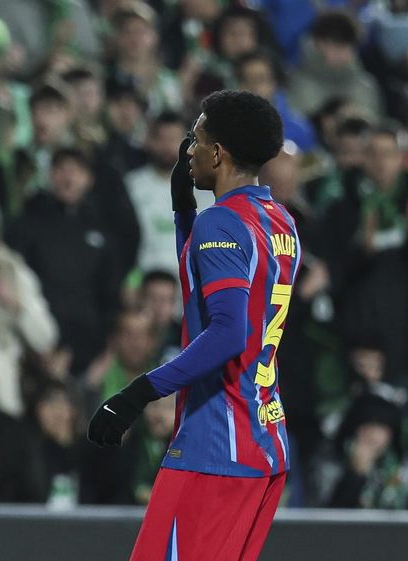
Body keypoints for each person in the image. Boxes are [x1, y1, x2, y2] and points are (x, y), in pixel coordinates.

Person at [87, 90, 295, 561]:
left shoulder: (221, 223)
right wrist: (185, 212)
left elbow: (226, 332)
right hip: (263, 438)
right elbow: (206, 293)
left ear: (218, 153)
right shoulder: (279, 220)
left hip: (215, 446)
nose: (189, 150)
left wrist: (136, 394)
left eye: (196, 139)